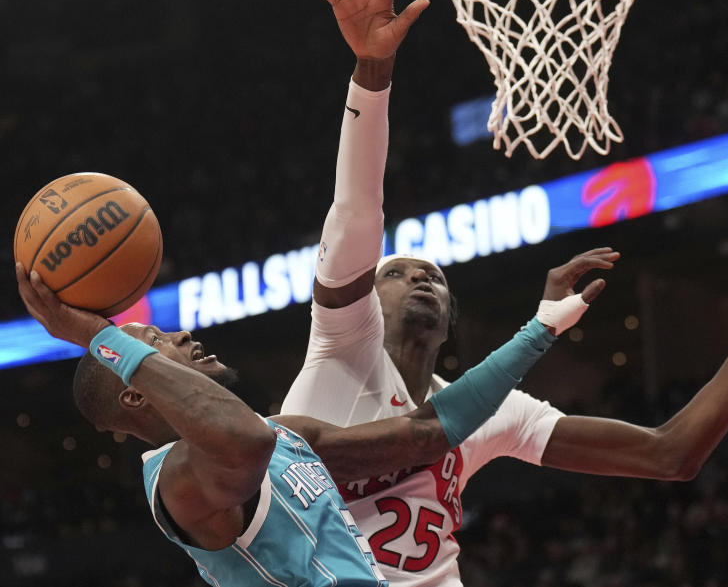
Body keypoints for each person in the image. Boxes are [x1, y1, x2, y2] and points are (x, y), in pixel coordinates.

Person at [281, 0, 728, 587]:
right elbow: (358, 207)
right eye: (395, 272)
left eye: (436, 277)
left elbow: (670, 453)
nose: (419, 275)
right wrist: (373, 71)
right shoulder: (340, 344)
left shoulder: (488, 409)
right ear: (365, 295)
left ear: (451, 321)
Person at [13, 247, 608, 587]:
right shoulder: (176, 479)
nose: (181, 334)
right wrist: (101, 339)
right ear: (135, 392)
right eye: (156, 340)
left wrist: (541, 328)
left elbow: (430, 431)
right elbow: (239, 438)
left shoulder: (287, 436)